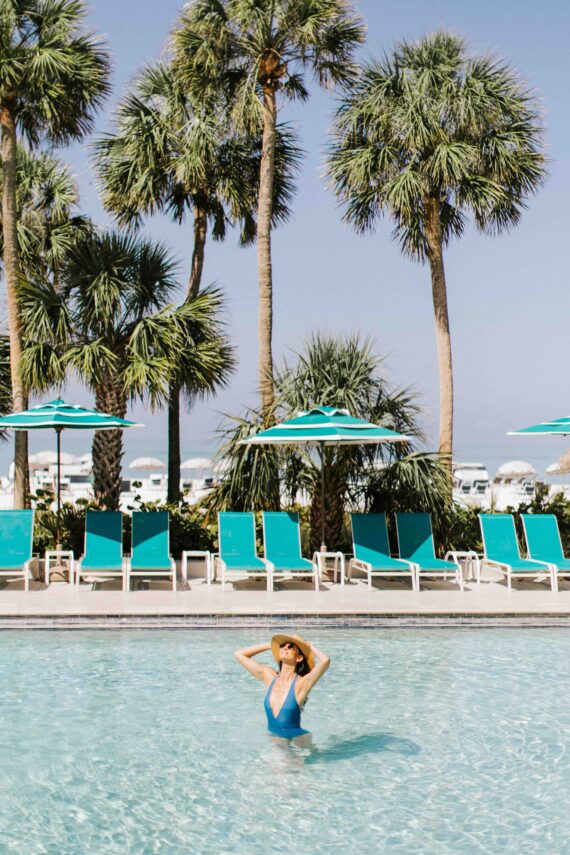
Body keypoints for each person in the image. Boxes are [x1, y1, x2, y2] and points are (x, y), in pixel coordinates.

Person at [234, 634, 330, 739]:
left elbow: (325, 661)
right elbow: (239, 654)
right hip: (277, 739)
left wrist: (310, 647)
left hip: (299, 738)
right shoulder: (269, 677)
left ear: (299, 658)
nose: (285, 648)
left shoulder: (301, 684)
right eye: (283, 645)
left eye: (291, 646)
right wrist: (271, 645)